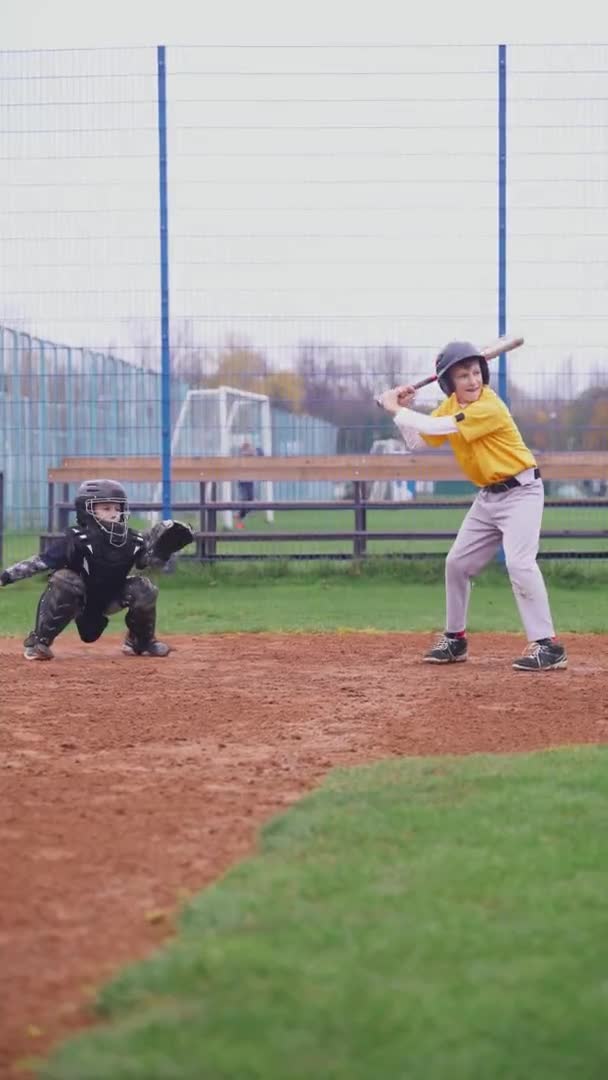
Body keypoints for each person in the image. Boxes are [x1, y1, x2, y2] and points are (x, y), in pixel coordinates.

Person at [377, 340, 568, 671]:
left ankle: (548, 646)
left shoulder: (488, 407)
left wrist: (397, 408)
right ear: (449, 383)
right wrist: (405, 410)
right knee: (456, 564)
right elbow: (418, 441)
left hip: (521, 491)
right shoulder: (451, 405)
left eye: (476, 372)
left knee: (520, 564)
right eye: (463, 375)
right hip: (488, 497)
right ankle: (455, 640)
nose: (472, 381)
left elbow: (437, 427)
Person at [0, 478, 191, 661]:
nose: (114, 513)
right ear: (87, 511)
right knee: (65, 579)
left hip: (111, 598)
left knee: (144, 587)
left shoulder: (132, 540)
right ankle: (39, 642)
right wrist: (6, 576)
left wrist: (162, 550)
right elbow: (41, 562)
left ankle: (140, 642)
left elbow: (148, 564)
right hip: (78, 600)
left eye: (118, 508)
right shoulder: (76, 539)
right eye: (106, 508)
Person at [234, 440, 257, 529]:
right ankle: (239, 519)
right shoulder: (241, 456)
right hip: (242, 481)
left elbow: (255, 454)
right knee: (244, 500)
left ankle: (239, 516)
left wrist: (252, 452)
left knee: (250, 500)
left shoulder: (251, 456)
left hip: (249, 481)